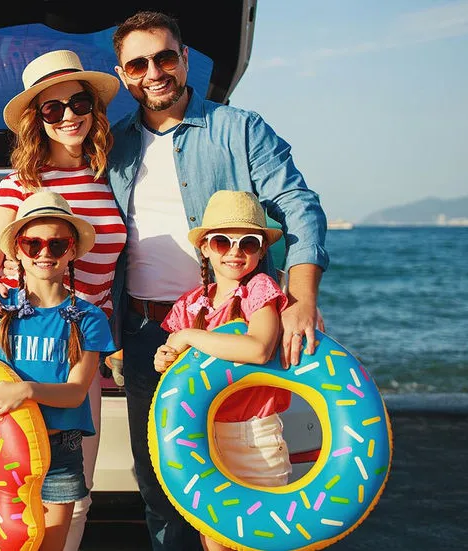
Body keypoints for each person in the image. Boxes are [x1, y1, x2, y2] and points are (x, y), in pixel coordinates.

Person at [105, 11, 330, 551]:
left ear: (184, 60)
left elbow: (300, 207)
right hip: (145, 337)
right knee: (161, 482)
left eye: (164, 57)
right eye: (138, 63)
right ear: (123, 73)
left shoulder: (242, 129)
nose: (153, 72)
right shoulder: (110, 148)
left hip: (233, 337)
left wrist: (300, 297)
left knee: (244, 475)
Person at [0, 49, 125, 550]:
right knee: (0, 488)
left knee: (74, 494)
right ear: (38, 121)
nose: (69, 116)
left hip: (77, 348)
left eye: (78, 103)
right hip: (14, 348)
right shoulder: (21, 184)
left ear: (94, 109)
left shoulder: (112, 178)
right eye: (53, 110)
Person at [0, 191, 117, 551]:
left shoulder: (89, 318)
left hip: (62, 451)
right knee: (10, 544)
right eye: (33, 244)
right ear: (17, 250)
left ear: (72, 251)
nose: (45, 253)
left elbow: (77, 391)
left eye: (57, 245)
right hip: (9, 450)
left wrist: (24, 390)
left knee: (51, 546)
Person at [152, 191, 292, 551]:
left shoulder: (259, 290)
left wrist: (187, 336)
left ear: (262, 251)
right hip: (205, 438)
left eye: (248, 242)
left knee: (264, 538)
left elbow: (258, 348)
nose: (235, 251)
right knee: (216, 541)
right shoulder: (189, 304)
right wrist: (164, 357)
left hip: (255, 437)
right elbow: (177, 373)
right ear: (206, 248)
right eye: (222, 241)